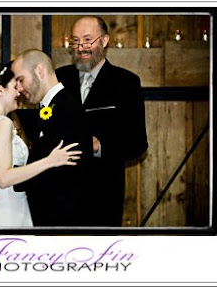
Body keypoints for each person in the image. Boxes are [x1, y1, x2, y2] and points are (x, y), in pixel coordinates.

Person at [0, 61, 82, 227]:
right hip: (7, 214)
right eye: (13, 86)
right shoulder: (3, 123)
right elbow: (4, 179)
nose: (18, 91)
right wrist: (51, 160)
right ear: (0, 89)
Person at [56, 16, 148, 226]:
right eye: (76, 41)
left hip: (103, 197)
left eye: (88, 40)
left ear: (105, 41)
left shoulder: (127, 82)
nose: (81, 47)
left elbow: (138, 143)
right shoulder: (59, 78)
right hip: (61, 194)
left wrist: (99, 146)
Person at [11, 49, 93, 226]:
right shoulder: (50, 107)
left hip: (61, 223)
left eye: (20, 79)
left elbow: (64, 174)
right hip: (49, 219)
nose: (18, 87)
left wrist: (10, 176)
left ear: (40, 71)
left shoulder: (68, 110)